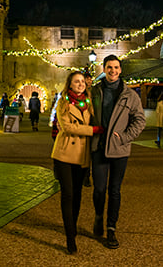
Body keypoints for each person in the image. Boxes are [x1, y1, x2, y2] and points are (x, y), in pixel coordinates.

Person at [90, 54, 146, 249]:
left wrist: (124, 137)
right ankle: (98, 215)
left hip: (119, 149)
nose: (113, 70)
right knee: (99, 189)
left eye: (116, 67)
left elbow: (139, 120)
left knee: (114, 190)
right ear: (104, 69)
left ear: (120, 70)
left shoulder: (130, 95)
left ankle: (111, 228)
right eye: (109, 67)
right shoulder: (95, 91)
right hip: (98, 147)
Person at [51, 71, 102, 254]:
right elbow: (67, 127)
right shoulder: (63, 102)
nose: (80, 84)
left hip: (82, 154)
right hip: (64, 153)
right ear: (70, 84)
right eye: (76, 81)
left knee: (78, 195)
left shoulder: (88, 102)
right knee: (68, 194)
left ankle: (72, 226)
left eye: (82, 81)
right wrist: (93, 129)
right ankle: (70, 236)